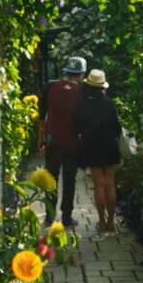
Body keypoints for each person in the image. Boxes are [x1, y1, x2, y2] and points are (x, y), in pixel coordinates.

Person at [39, 56, 86, 227]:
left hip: (52, 140)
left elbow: (41, 115)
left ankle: (49, 217)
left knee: (51, 178)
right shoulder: (82, 92)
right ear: (81, 74)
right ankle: (67, 217)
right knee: (69, 180)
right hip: (72, 143)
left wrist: (41, 140)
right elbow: (82, 120)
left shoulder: (50, 86)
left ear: (66, 71)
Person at [74, 69, 122, 232]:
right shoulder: (109, 104)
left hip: (92, 146)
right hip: (109, 145)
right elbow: (117, 128)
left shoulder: (82, 105)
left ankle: (101, 221)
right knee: (110, 183)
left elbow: (78, 127)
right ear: (103, 87)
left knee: (99, 184)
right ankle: (111, 222)